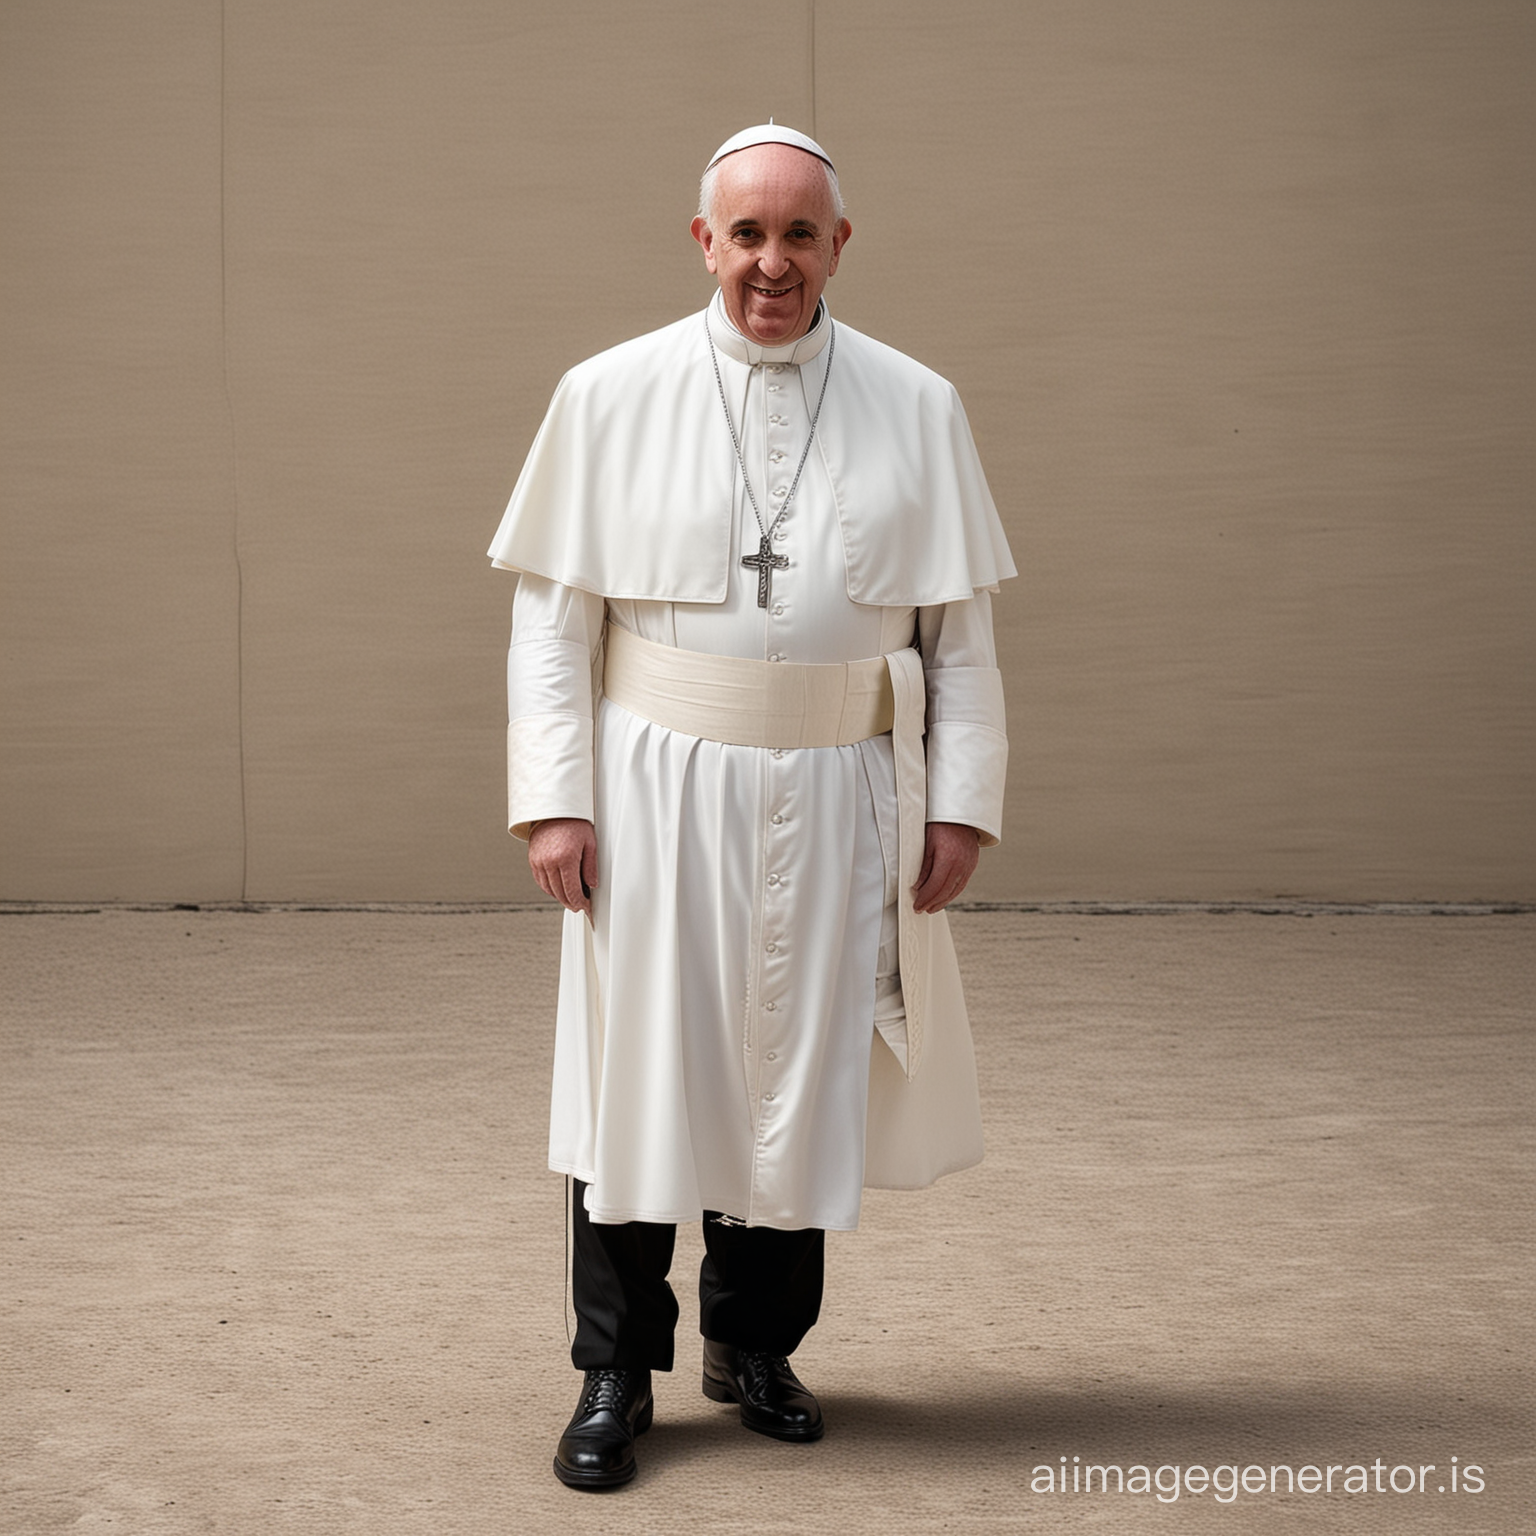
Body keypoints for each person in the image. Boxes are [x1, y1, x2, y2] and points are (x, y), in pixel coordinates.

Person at [488, 122, 1014, 1490]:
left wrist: (960, 805)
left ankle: (757, 1347)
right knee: (638, 1076)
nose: (770, 263)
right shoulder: (608, 395)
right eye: (746, 234)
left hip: (846, 788)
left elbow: (957, 638)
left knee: (804, 1066)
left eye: (799, 234)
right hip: (657, 782)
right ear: (703, 242)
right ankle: (616, 1369)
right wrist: (555, 803)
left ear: (841, 245)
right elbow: (555, 625)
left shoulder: (918, 401)